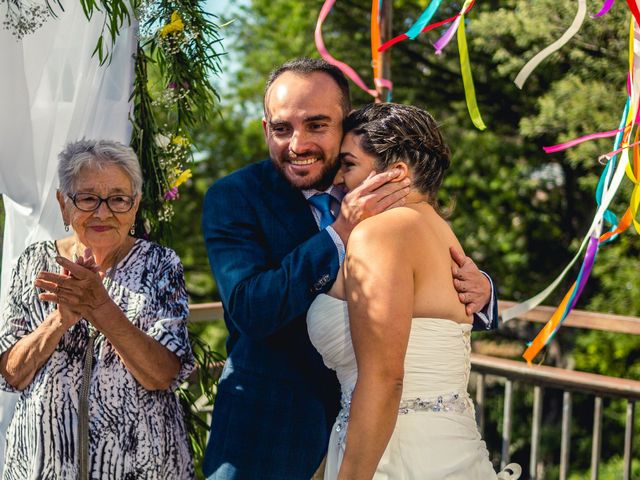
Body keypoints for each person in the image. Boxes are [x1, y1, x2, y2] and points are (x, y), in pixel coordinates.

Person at [201, 58, 497, 479]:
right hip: (268, 444)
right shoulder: (234, 197)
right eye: (283, 128)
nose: (298, 143)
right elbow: (251, 309)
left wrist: (483, 290)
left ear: (345, 122)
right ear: (266, 129)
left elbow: (427, 266)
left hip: (387, 443)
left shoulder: (385, 194)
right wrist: (339, 231)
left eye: (317, 125)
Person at [307, 103, 520, 479]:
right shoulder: (438, 229)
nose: (338, 179)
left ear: (397, 172)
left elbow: (385, 378)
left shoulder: (381, 234)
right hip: (444, 446)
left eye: (349, 164)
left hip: (396, 458)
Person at [0, 140, 195, 479]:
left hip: (142, 469)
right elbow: (12, 374)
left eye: (118, 199)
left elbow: (162, 374)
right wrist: (59, 321)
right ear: (64, 205)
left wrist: (100, 307)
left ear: (134, 207)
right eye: (88, 198)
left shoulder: (159, 265)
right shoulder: (34, 263)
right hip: (43, 467)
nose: (103, 212)